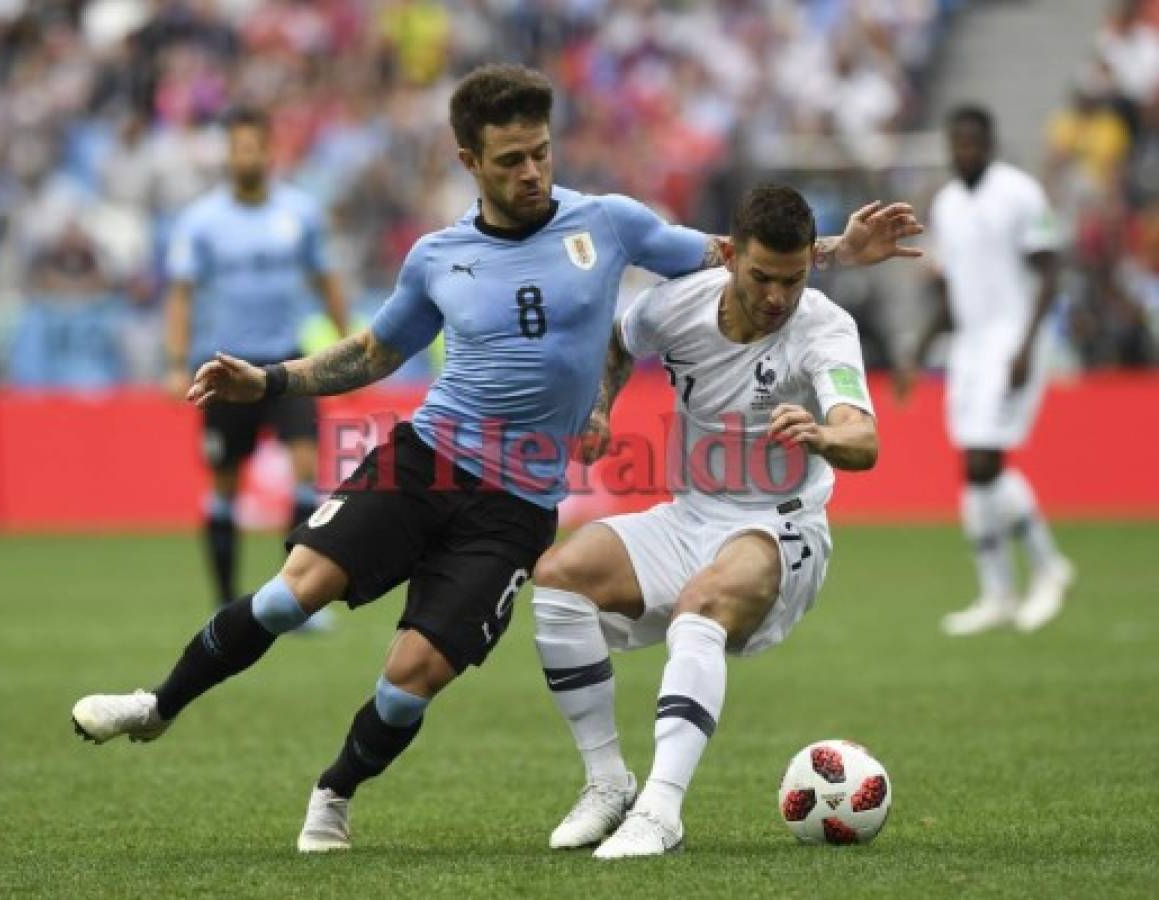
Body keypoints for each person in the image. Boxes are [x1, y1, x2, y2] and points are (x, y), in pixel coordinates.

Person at [71, 65, 920, 853]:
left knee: (411, 679)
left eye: (541, 152)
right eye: (510, 159)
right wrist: (268, 380)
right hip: (425, 458)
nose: (532, 172)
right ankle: (156, 704)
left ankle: (334, 792)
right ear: (468, 161)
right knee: (294, 594)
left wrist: (840, 250)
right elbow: (371, 352)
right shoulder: (438, 256)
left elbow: (735, 260)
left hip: (515, 506)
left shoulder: (610, 223)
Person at [531, 184, 881, 859]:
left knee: (702, 606)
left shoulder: (824, 328)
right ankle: (608, 786)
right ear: (728, 257)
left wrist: (821, 434)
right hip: (690, 513)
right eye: (762, 277)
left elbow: (862, 439)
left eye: (794, 278)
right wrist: (601, 407)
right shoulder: (674, 304)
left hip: (781, 527)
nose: (778, 296)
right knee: (559, 578)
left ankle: (661, 811)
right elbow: (615, 342)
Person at [897, 105, 1073, 636]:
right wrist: (918, 351)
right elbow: (953, 291)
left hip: (1012, 340)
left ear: (990, 143)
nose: (964, 151)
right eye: (957, 143)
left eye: (973, 142)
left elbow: (1050, 274)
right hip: (969, 349)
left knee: (983, 460)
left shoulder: (1020, 193)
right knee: (973, 470)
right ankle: (998, 592)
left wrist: (1025, 345)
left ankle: (1048, 567)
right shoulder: (947, 204)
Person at [164, 106, 350, 610]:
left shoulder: (301, 213)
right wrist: (177, 360)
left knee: (307, 467)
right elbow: (181, 294)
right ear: (228, 154)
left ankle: (298, 600)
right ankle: (226, 600)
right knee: (225, 482)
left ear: (270, 151)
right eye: (237, 147)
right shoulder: (202, 221)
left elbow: (327, 279)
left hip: (287, 366)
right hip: (224, 367)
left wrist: (346, 344)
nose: (245, 156)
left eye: (253, 146)